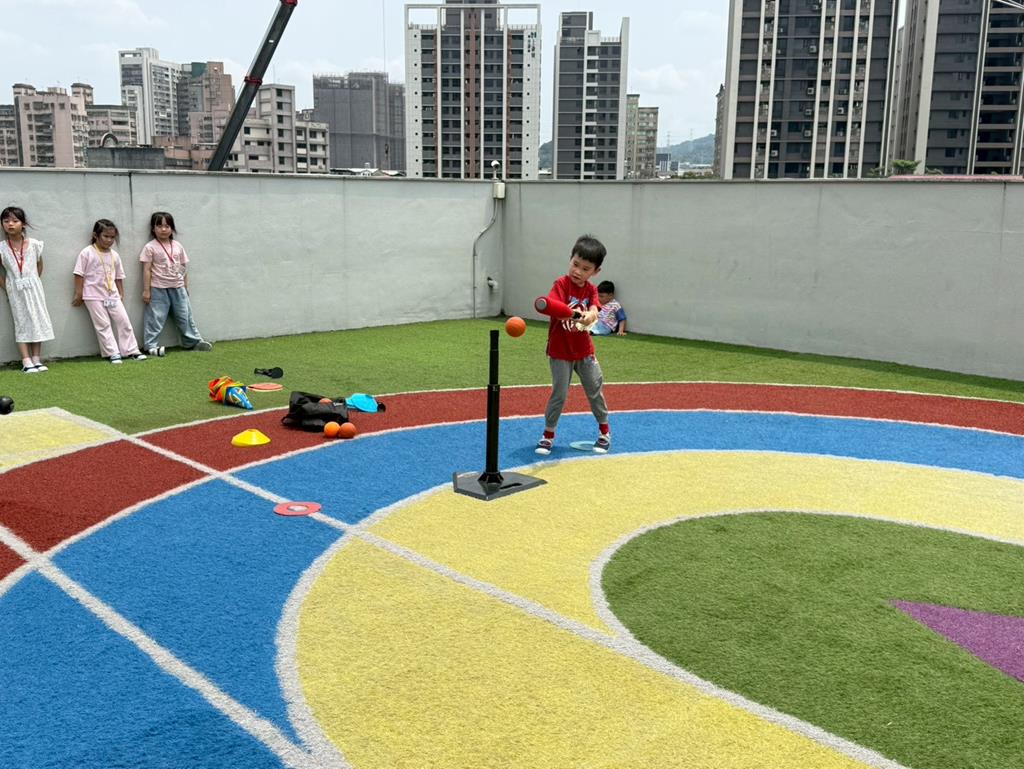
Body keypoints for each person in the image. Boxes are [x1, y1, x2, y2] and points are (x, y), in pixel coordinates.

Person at [535, 234, 612, 455]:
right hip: (560, 351)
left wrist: (590, 315)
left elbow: (595, 310)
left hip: (584, 351)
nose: (578, 271)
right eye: (575, 264)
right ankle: (548, 435)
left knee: (594, 389)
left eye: (585, 268)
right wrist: (574, 313)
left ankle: (604, 432)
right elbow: (553, 307)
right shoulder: (561, 284)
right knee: (559, 394)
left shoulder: (591, 290)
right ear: (570, 259)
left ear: (595, 271)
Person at [72, 219, 147, 364]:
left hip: (112, 295)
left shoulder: (115, 255)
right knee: (103, 325)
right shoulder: (87, 253)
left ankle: (131, 350)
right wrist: (79, 294)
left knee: (124, 322)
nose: (109, 240)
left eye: (112, 237)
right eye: (106, 236)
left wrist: (121, 293)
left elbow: (119, 276)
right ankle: (112, 353)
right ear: (95, 235)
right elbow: (79, 274)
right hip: (93, 296)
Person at [138, 212, 213, 356]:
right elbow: (146, 270)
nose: (163, 229)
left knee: (185, 316)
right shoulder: (150, 247)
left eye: (167, 226)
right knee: (155, 318)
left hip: (178, 287)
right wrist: (146, 290)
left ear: (172, 228)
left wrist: (185, 286)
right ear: (153, 229)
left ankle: (193, 342)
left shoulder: (178, 246)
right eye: (159, 226)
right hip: (158, 288)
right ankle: (150, 346)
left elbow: (183, 267)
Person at [0, 206, 54, 372]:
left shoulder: (35, 244)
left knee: (38, 319)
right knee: (21, 322)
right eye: (6, 221)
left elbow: (39, 264)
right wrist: (7, 287)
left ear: (23, 224)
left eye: (15, 221)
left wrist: (33, 280)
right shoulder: (2, 247)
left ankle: (37, 359)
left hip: (34, 288)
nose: (10, 224)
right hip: (15, 290)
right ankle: (26, 361)